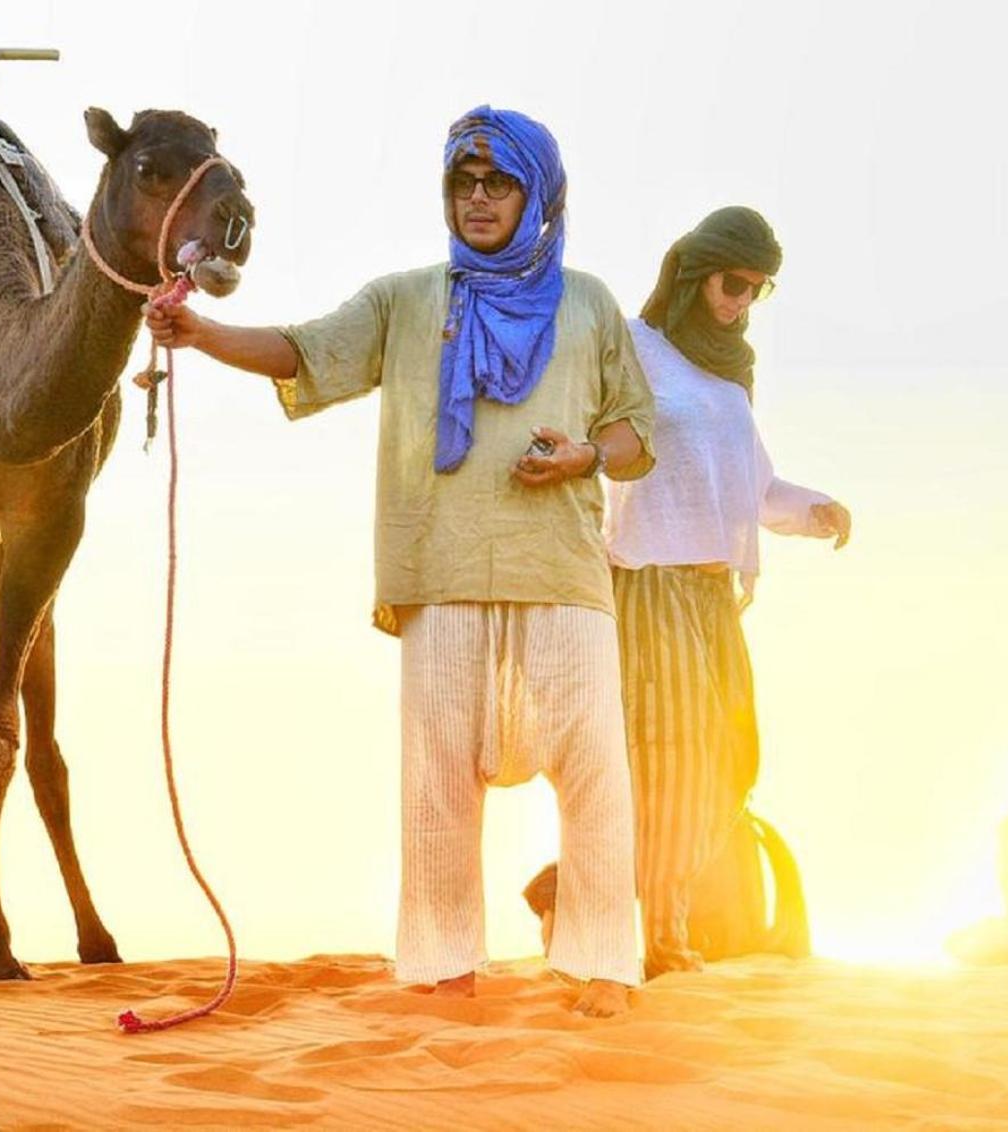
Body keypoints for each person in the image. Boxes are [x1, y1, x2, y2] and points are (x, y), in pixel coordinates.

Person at [145, 106, 653, 1017]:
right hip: (439, 565)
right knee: (436, 782)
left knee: (596, 774)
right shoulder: (405, 299)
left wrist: (583, 455)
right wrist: (204, 338)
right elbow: (306, 351)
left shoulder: (589, 303)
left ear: (537, 193)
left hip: (565, 571)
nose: (479, 200)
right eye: (464, 182)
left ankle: (603, 964)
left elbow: (634, 431)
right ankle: (443, 965)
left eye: (499, 183)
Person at [605, 206, 851, 979]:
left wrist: (814, 512)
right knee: (670, 757)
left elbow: (755, 484)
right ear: (694, 271)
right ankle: (659, 935)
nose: (742, 301)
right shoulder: (630, 348)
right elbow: (592, 445)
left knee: (732, 761)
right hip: (648, 579)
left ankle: (607, 901)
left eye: (759, 289)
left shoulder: (729, 375)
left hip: (715, 593)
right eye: (734, 282)